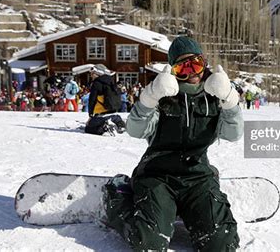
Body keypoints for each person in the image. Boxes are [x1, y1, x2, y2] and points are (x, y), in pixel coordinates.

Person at [103, 36, 243, 251]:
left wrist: (229, 100)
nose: (191, 74)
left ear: (204, 63)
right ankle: (117, 195)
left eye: (195, 65)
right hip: (157, 175)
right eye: (182, 69)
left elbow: (233, 134)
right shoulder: (163, 93)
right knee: (148, 242)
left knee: (221, 244)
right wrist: (149, 98)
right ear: (173, 71)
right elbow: (135, 130)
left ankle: (192, 209)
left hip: (197, 176)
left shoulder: (215, 94)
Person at [84, 64, 126, 135]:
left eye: (92, 74)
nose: (91, 76)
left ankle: (105, 127)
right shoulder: (111, 81)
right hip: (114, 113)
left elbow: (92, 100)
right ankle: (120, 125)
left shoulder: (96, 83)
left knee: (88, 128)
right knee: (116, 118)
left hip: (101, 114)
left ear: (97, 73)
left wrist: (91, 115)